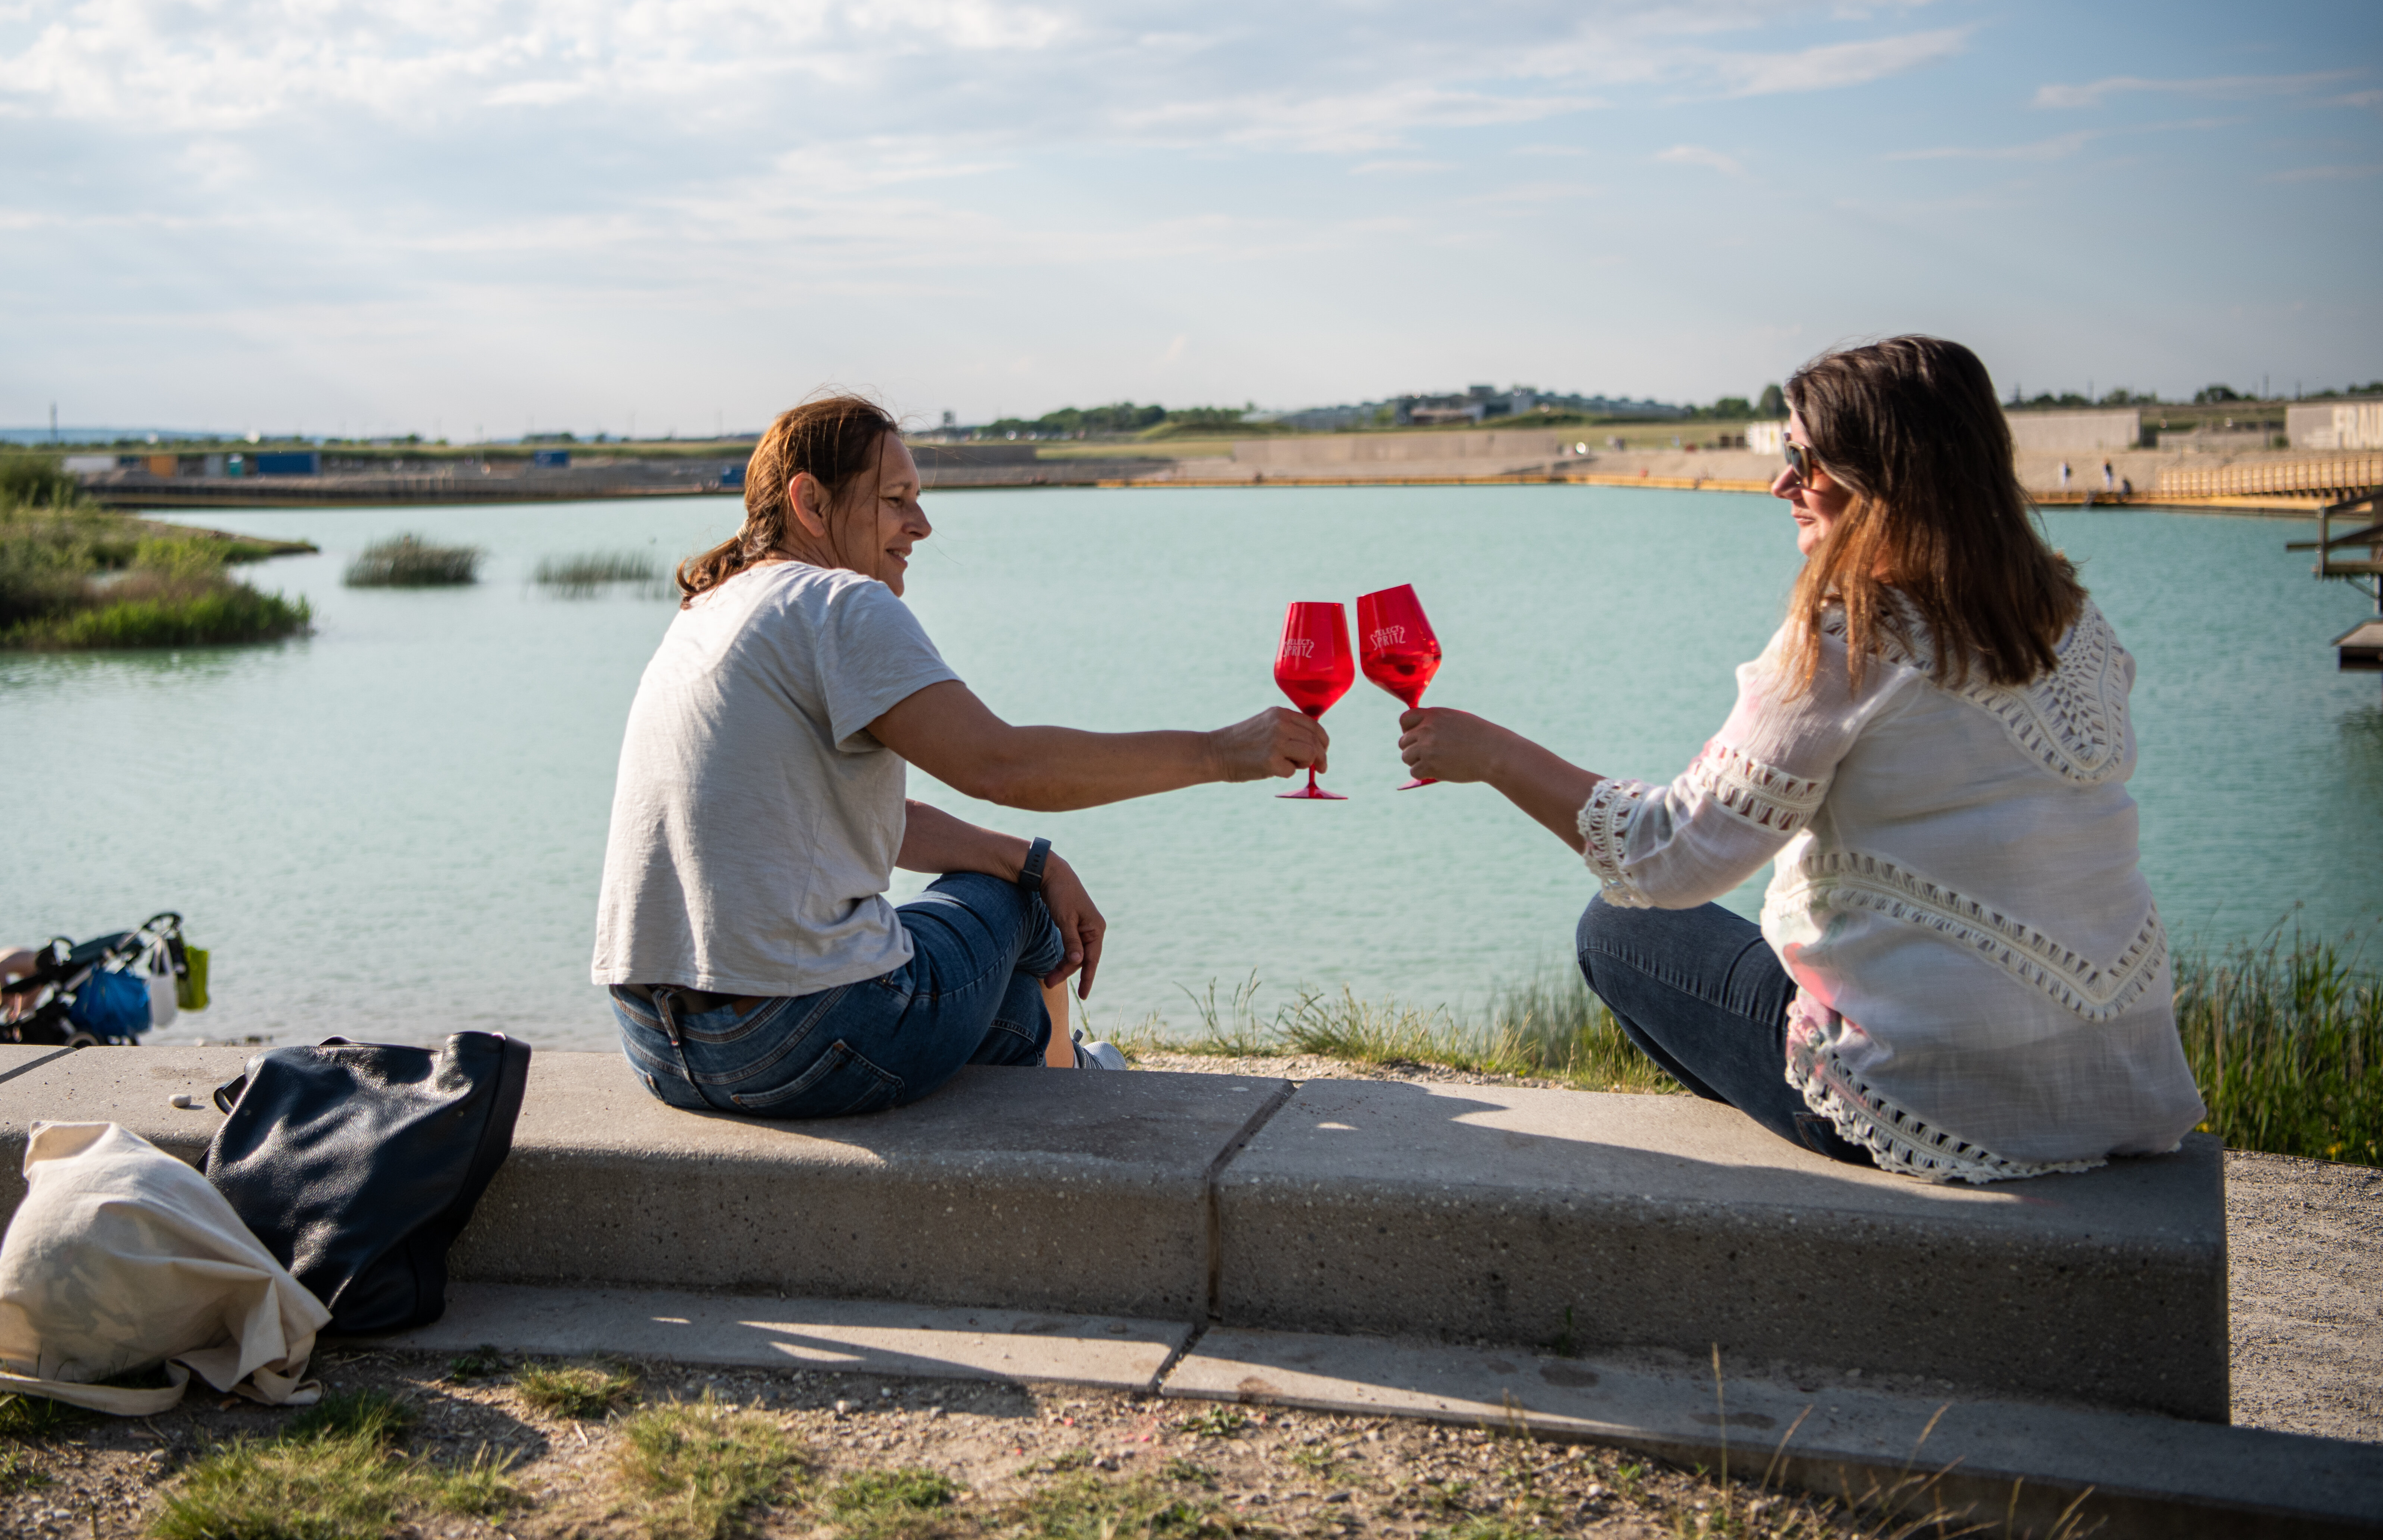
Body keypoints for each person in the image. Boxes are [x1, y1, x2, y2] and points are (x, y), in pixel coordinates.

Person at [1396, 337, 2204, 1182]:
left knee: (1620, 926)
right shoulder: (2072, 624)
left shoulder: (1851, 634)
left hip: (1925, 1098)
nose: (1782, 482)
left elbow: (1665, 856)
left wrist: (1489, 753)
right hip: (2115, 1083)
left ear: (1882, 476)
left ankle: (1816, 1130)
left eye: (1802, 458)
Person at [593, 394, 1327, 1118]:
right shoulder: (838, 603)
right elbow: (1002, 766)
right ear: (810, 504)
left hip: (663, 1050)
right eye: (895, 499)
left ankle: (1045, 1059)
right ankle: (1073, 1088)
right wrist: (1220, 752)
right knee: (1020, 908)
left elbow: (837, 819)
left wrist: (1030, 856)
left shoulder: (708, 612)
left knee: (1009, 979)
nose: (922, 524)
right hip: (806, 1039)